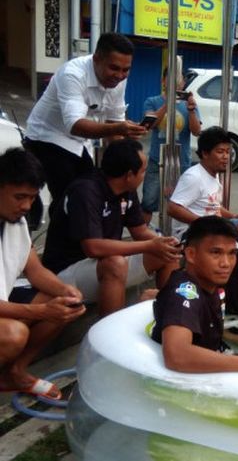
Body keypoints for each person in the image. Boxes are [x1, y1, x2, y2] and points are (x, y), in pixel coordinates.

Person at [41, 139, 181, 316]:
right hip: (65, 273)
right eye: (143, 171)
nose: (144, 175)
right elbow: (93, 247)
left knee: (168, 253)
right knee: (115, 263)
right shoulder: (85, 190)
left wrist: (165, 242)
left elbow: (139, 231)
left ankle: (171, 317)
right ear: (129, 174)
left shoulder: (127, 189)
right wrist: (149, 245)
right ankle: (109, 334)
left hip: (101, 265)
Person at [150, 216, 238, 377]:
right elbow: (176, 355)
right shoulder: (185, 292)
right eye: (216, 253)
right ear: (191, 254)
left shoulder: (210, 285)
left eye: (232, 253)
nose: (226, 263)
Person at [23, 33, 146, 217]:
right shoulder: (72, 74)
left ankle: (86, 237)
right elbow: (76, 125)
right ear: (96, 59)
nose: (120, 75)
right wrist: (119, 129)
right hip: (47, 138)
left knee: (92, 191)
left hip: (80, 143)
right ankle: (65, 241)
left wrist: (125, 158)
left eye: (125, 70)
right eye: (114, 68)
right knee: (71, 198)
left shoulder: (119, 79)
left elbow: (114, 120)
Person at [0, 149, 85, 400]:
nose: (26, 206)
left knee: (62, 301)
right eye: (19, 197)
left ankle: (14, 372)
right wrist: (39, 312)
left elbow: (34, 269)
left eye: (32, 197)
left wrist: (65, 291)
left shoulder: (16, 220)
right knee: (13, 334)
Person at [141, 68, 202, 225]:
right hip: (157, 159)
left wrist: (192, 111)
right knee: (148, 201)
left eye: (179, 79)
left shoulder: (189, 104)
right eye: (171, 78)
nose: (176, 82)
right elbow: (150, 125)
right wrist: (168, 103)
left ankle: (174, 235)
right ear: (163, 81)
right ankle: (141, 235)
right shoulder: (152, 101)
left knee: (178, 203)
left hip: (181, 161)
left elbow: (197, 131)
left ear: (183, 82)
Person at [167, 126, 237, 240]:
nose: (226, 157)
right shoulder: (194, 177)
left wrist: (233, 217)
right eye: (220, 152)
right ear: (205, 153)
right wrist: (204, 224)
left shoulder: (214, 173)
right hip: (190, 234)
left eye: (228, 152)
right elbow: (172, 208)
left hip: (211, 229)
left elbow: (212, 206)